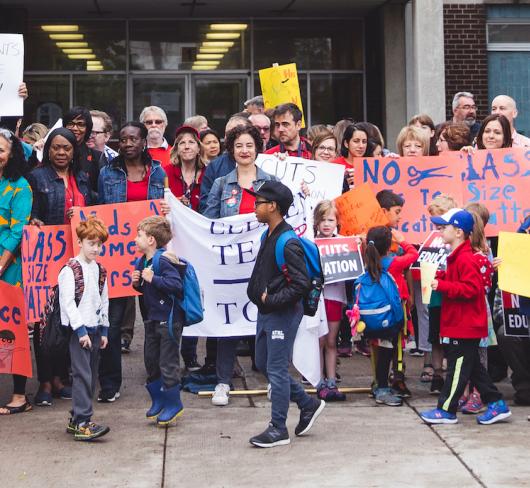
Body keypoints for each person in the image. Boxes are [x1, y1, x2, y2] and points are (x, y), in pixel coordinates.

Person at [246, 180, 325, 447]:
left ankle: (278, 428)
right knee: (262, 361)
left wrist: (273, 299)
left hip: (281, 313)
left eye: (258, 203)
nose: (254, 207)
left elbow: (301, 284)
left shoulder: (287, 242)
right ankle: (307, 403)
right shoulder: (267, 234)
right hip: (267, 312)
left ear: (273, 206)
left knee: (277, 369)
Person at [204, 125, 276, 406]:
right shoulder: (222, 184)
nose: (244, 150)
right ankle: (223, 382)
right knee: (228, 322)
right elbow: (208, 221)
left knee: (267, 322)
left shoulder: (270, 181)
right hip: (230, 267)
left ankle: (273, 378)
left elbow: (283, 217)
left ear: (257, 148)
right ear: (231, 151)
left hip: (265, 264)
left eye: (249, 145)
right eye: (239, 146)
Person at [420, 209, 511, 425]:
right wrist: (443, 277)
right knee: (472, 368)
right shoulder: (458, 257)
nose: (440, 231)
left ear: (459, 231)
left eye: (445, 227)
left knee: (457, 369)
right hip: (460, 324)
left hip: (465, 325)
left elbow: (471, 289)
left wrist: (444, 284)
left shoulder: (466, 259)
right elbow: (462, 283)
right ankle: (497, 404)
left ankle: (446, 409)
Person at [97, 121, 166, 403]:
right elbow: (100, 209)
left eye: (133, 139)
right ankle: (110, 383)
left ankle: (157, 379)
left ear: (143, 142)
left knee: (154, 320)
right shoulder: (106, 173)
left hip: (150, 257)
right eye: (123, 139)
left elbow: (164, 210)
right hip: (117, 260)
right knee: (112, 324)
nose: (127, 144)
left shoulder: (158, 172)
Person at [27, 127, 92, 406]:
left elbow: (96, 211)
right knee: (45, 323)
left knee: (68, 319)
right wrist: (34, 221)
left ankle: (59, 379)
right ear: (48, 150)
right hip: (44, 260)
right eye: (56, 148)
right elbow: (29, 212)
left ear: (74, 151)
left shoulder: (84, 178)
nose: (62, 152)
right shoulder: (36, 177)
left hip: (76, 262)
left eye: (67, 148)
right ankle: (44, 381)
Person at [59, 217, 110, 441]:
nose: (96, 248)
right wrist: (80, 332)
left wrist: (105, 330)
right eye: (91, 243)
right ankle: (82, 422)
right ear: (79, 242)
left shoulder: (99, 269)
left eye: (99, 244)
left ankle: (75, 418)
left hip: (96, 328)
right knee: (81, 375)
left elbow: (104, 299)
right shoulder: (70, 270)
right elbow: (67, 303)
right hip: (79, 331)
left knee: (90, 376)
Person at [133, 216, 185, 426]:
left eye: (139, 235)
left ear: (151, 240)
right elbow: (146, 289)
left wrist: (152, 278)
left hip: (169, 319)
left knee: (168, 362)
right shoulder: (142, 260)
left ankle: (174, 403)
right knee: (151, 360)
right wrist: (138, 284)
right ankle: (158, 400)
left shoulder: (164, 260)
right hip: (152, 319)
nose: (136, 239)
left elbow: (176, 285)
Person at [0, 128, 33, 416]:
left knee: (10, 332)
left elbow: (18, 229)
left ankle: (20, 395)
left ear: (11, 155)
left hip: (9, 271)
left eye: (1, 149)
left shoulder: (20, 186)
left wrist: (1, 264)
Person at [313, 200, 346, 401]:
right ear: (316, 222)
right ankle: (317, 378)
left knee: (331, 341)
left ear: (337, 222)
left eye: (331, 220)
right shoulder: (310, 242)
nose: (326, 224)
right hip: (315, 299)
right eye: (322, 220)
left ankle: (331, 379)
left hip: (335, 297)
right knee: (318, 340)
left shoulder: (344, 242)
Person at [425, 194, 458, 395]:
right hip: (435, 296)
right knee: (435, 338)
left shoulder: (457, 241)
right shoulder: (431, 240)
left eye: (441, 224)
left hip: (451, 297)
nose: (438, 230)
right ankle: (437, 375)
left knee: (451, 338)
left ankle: (452, 374)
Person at [199, 115, 252, 213]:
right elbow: (206, 206)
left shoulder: (265, 162)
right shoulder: (214, 167)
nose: (231, 137)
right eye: (228, 134)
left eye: (237, 133)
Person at [63, 106, 107, 196]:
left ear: (88, 129)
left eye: (80, 124)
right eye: (70, 124)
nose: (75, 128)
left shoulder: (98, 158)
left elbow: (105, 193)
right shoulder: (54, 154)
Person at [165, 125, 206, 212]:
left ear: (199, 148)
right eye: (182, 143)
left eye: (191, 142)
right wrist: (174, 203)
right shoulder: (166, 172)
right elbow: (158, 202)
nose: (187, 146)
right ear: (177, 150)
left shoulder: (208, 173)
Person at [332, 123, 371, 189]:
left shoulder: (372, 165)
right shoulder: (335, 166)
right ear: (346, 143)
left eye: (364, 142)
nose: (361, 146)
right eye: (356, 141)